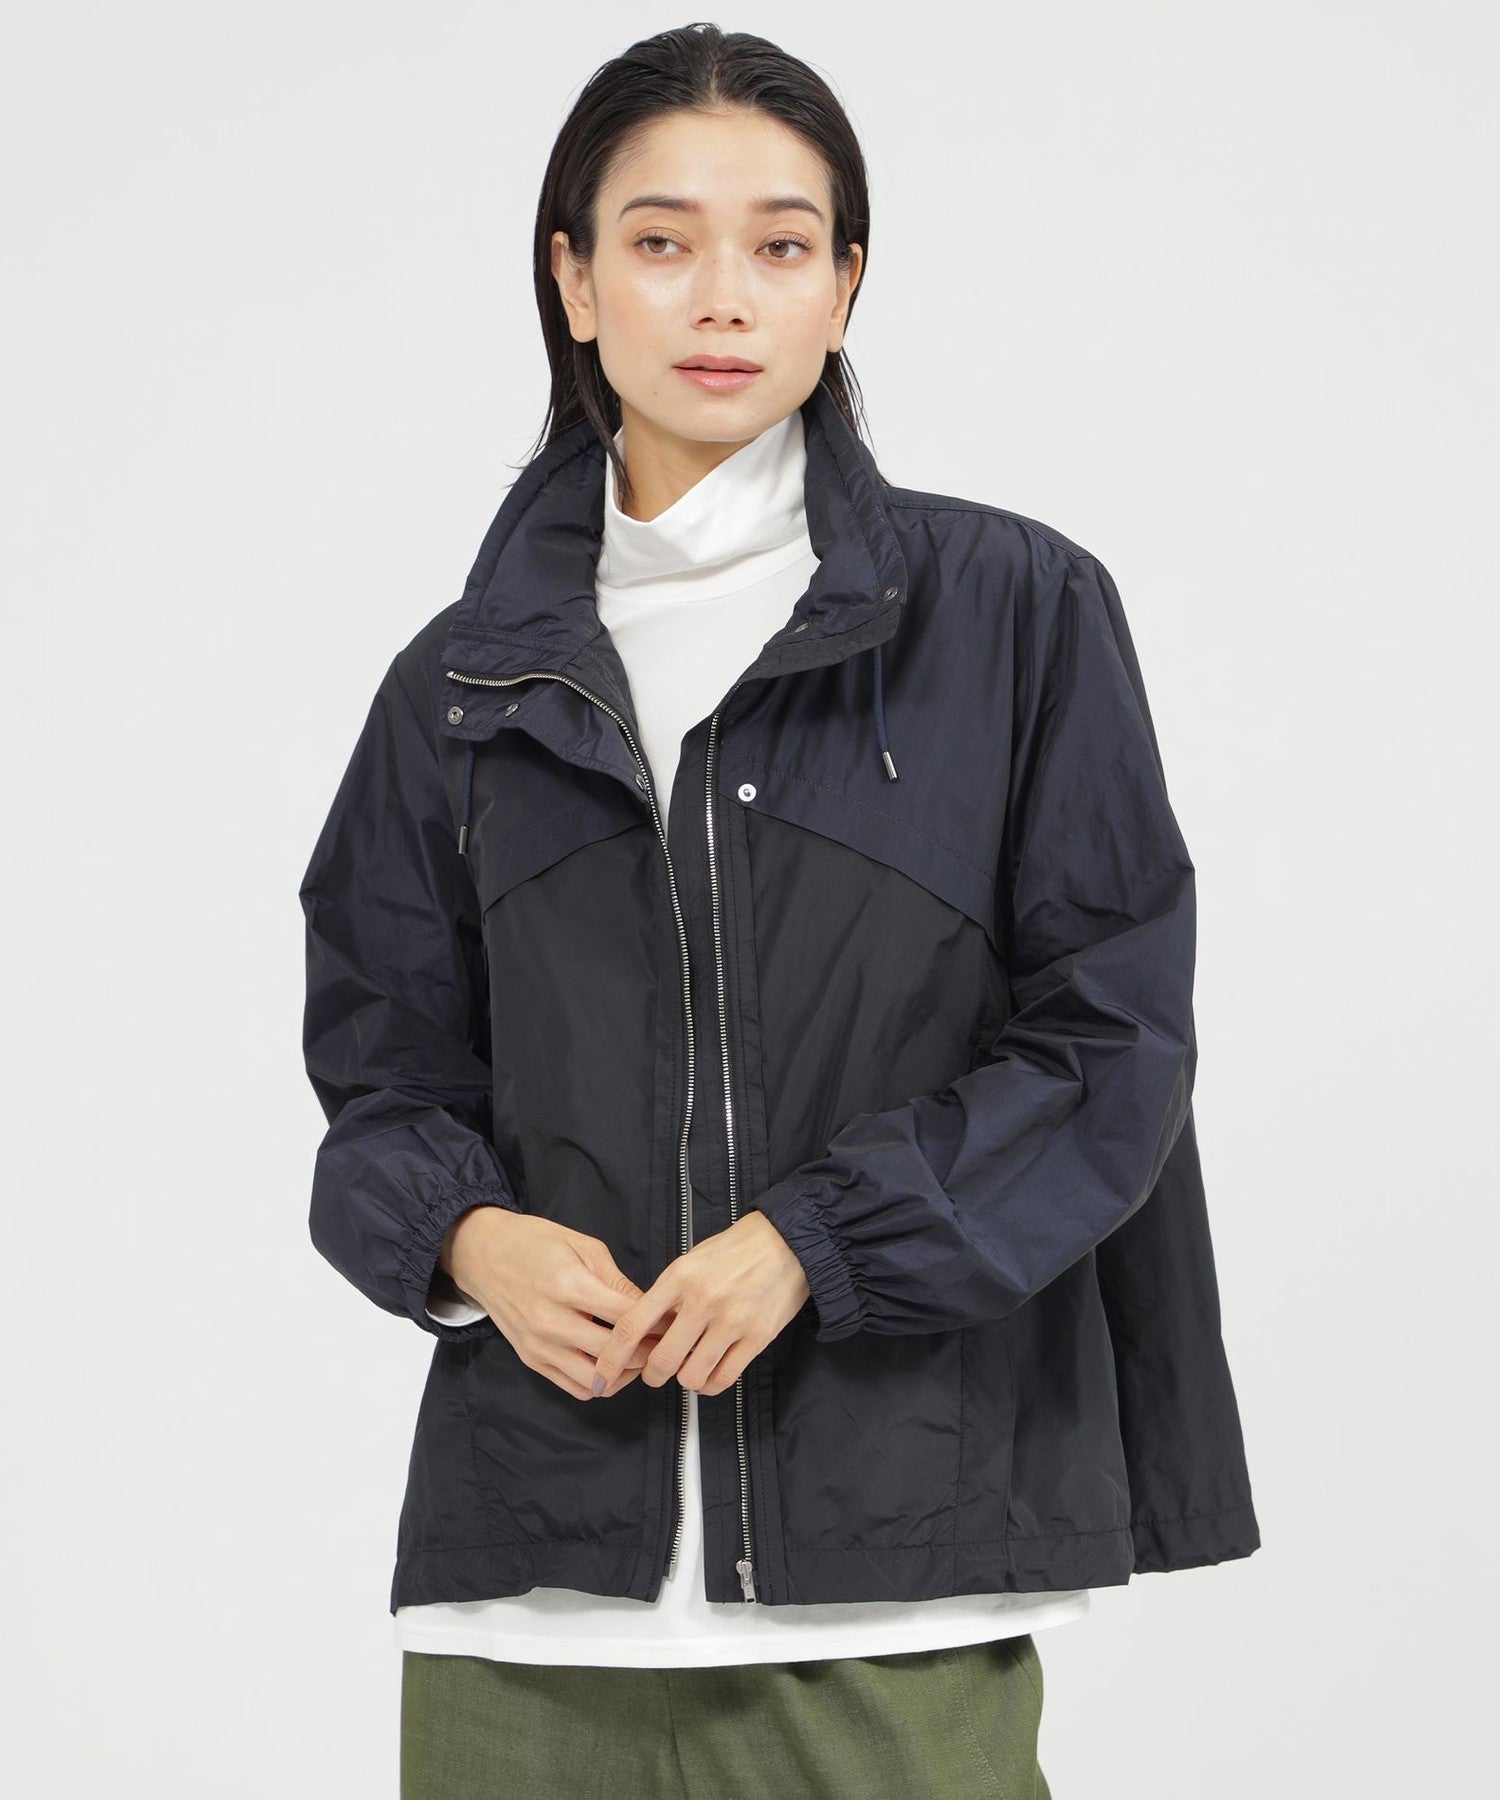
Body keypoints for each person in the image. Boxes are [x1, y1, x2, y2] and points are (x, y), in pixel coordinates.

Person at [298, 22, 1260, 1799]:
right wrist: (468, 1241)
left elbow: (1111, 1043)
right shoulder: (459, 684)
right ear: (574, 281)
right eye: (661, 241)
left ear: (846, 286)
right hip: (530, 1601)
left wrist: (815, 1240)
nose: (723, 294)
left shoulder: (1014, 613)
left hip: (892, 1583)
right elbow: (381, 1076)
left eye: (783, 243)